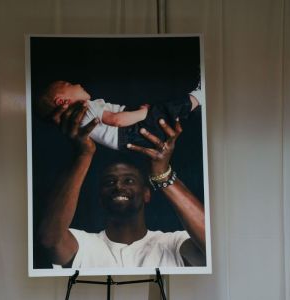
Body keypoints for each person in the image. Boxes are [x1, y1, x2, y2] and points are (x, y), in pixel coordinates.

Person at [38, 102, 206, 268]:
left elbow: (212, 246)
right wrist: (84, 154)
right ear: (100, 197)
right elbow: (50, 241)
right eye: (109, 182)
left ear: (147, 194)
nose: (118, 186)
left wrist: (162, 174)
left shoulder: (174, 243)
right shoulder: (83, 244)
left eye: (129, 180)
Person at [36, 80, 205, 150]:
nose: (78, 84)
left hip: (126, 138)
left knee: (165, 116)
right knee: (163, 110)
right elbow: (116, 120)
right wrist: (144, 113)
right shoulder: (86, 108)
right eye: (70, 84)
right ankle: (198, 96)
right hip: (127, 131)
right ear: (61, 101)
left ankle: (194, 104)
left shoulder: (78, 118)